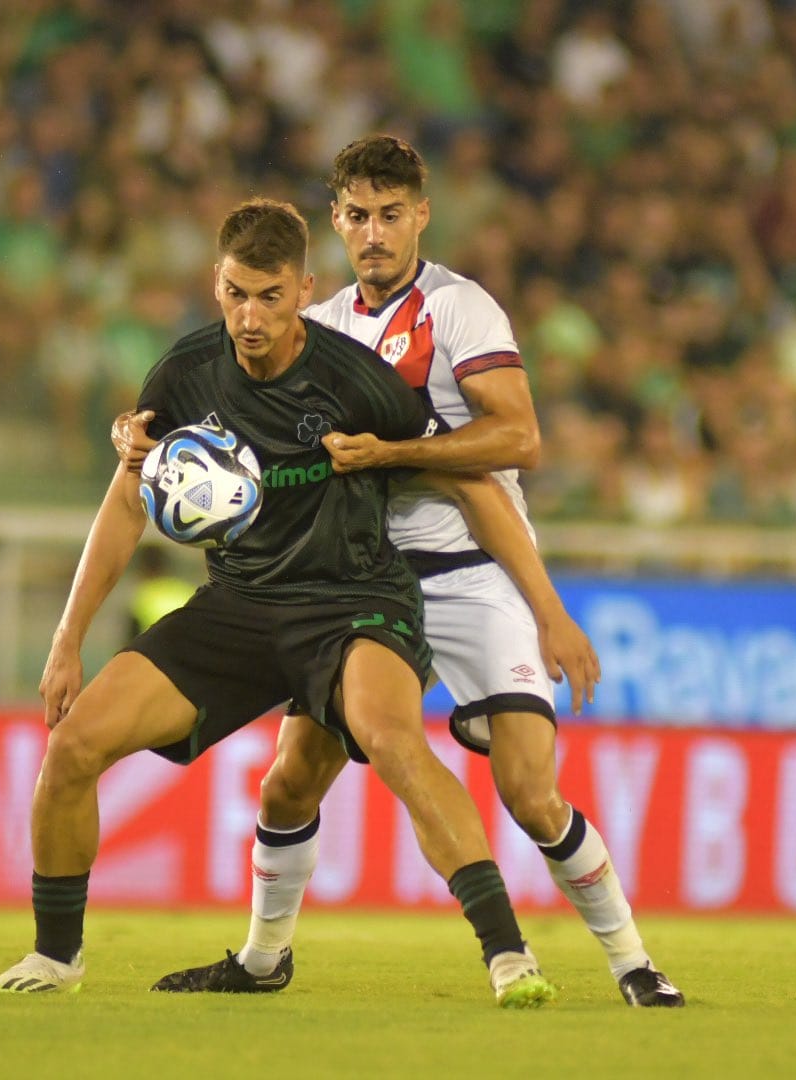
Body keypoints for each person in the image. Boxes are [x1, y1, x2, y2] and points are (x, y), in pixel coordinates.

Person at [0, 197, 557, 1008]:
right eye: (234, 294)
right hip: (242, 601)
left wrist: (547, 608)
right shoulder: (185, 375)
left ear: (304, 290)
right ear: (215, 284)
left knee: (390, 738)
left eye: (270, 297)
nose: (250, 318)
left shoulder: (359, 383)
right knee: (73, 748)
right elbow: (124, 498)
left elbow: (469, 479)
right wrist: (68, 637)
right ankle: (54, 957)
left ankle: (508, 954)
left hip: (354, 600)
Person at [152, 136, 685, 1007]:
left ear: (421, 216)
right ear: (335, 221)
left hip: (475, 571)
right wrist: (141, 439)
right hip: (360, 582)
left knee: (530, 790)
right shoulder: (313, 329)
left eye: (391, 215)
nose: (373, 233)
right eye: (357, 215)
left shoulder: (461, 311)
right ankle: (260, 958)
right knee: (290, 778)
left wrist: (547, 609)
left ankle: (633, 962)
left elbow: (515, 442)